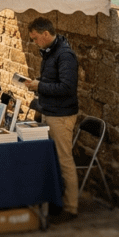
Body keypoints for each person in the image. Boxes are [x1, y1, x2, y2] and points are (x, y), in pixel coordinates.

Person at [22, 17, 80, 224]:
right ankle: (57, 200)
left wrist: (39, 86)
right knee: (54, 159)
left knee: (64, 160)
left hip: (61, 115)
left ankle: (71, 207)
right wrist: (37, 84)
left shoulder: (65, 55)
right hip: (50, 111)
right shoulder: (50, 52)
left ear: (46, 34)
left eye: (36, 38)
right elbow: (52, 81)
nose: (35, 42)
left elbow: (66, 88)